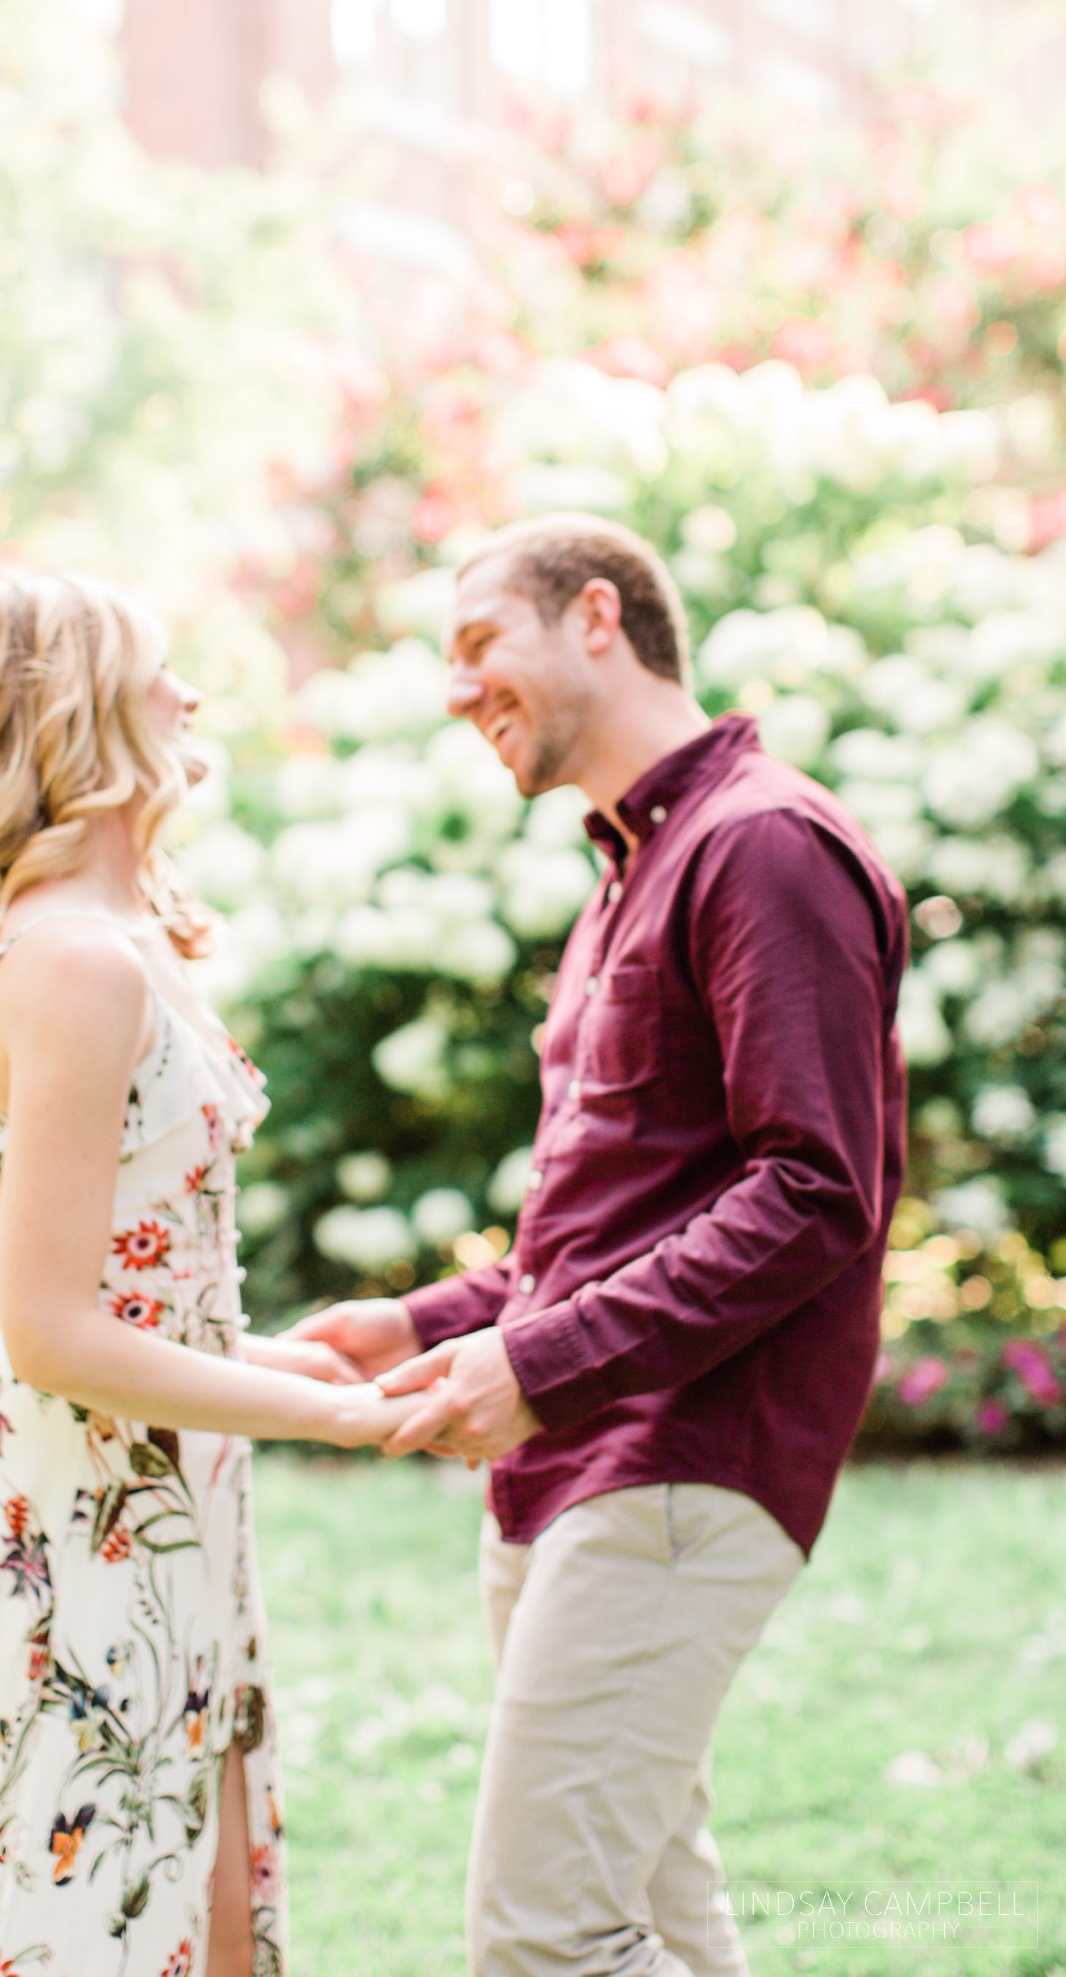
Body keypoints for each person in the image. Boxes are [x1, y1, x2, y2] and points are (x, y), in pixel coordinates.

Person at [291, 515, 908, 1977]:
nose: (456, 691)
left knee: (547, 1937)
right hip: (580, 1463)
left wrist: (541, 1362)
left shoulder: (762, 846)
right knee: (662, 1923)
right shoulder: (636, 868)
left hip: (682, 1463)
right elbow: (622, 1215)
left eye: (476, 644)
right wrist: (431, 1321)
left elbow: (817, 1191)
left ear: (594, 619)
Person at [0, 572, 421, 1977]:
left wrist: (259, 1358)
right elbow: (45, 1323)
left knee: (204, 1873)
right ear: (82, 710)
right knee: (101, 1905)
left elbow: (47, 1235)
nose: (192, 696)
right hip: (82, 1494)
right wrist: (331, 1416)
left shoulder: (118, 944)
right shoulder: (73, 965)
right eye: (164, 670)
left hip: (163, 1475)